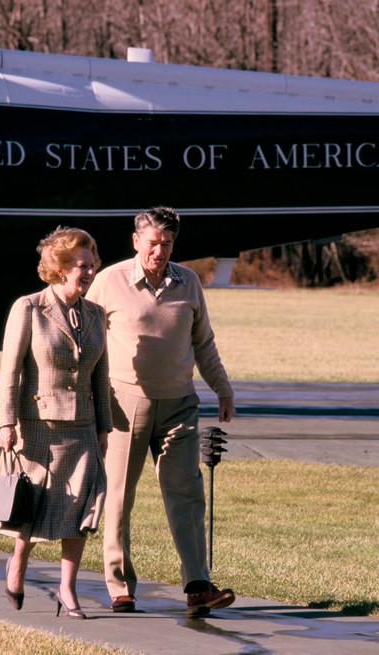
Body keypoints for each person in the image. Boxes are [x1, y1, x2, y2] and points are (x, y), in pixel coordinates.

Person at [86, 206, 236, 617]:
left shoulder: (188, 282)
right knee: (118, 497)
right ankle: (120, 588)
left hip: (180, 404)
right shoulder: (109, 282)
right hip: (123, 404)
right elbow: (83, 339)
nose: (159, 251)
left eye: (167, 243)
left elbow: (203, 342)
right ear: (136, 241)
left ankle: (198, 586)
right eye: (152, 243)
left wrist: (223, 389)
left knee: (187, 494)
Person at [0, 226, 111, 620]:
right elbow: (9, 372)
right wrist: (6, 423)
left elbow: (100, 375)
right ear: (61, 268)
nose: (90, 271)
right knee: (33, 508)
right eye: (82, 265)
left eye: (92, 264)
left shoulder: (95, 313)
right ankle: (18, 563)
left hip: (83, 427)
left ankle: (68, 588)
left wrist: (104, 428)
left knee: (82, 508)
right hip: (38, 425)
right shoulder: (28, 307)